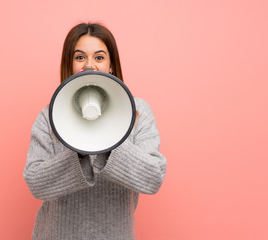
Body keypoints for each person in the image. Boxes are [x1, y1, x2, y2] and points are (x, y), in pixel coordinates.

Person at [23, 23, 167, 240]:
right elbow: (35, 183)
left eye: (99, 57)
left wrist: (110, 140)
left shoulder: (137, 113)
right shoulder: (49, 116)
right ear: (69, 64)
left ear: (111, 65)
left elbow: (153, 178)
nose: (89, 65)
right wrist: (78, 152)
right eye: (80, 57)